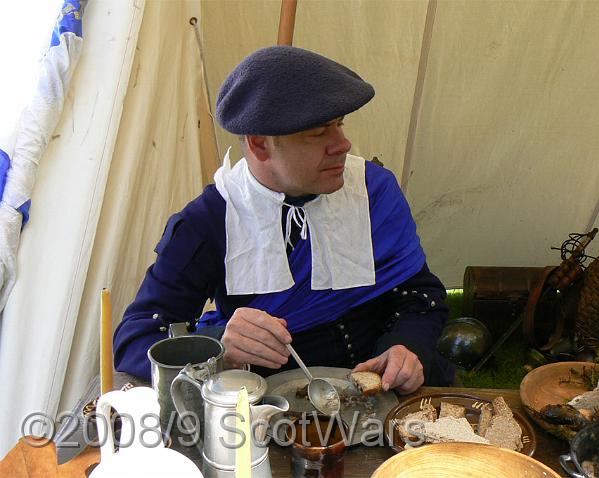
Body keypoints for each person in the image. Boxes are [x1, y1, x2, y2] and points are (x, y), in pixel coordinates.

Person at [113, 46, 454, 394]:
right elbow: (136, 337)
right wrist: (217, 346)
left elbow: (418, 294)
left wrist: (407, 346)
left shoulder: (374, 191)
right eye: (319, 133)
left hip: (384, 394)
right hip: (274, 414)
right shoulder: (208, 220)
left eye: (339, 125)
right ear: (260, 144)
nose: (343, 144)